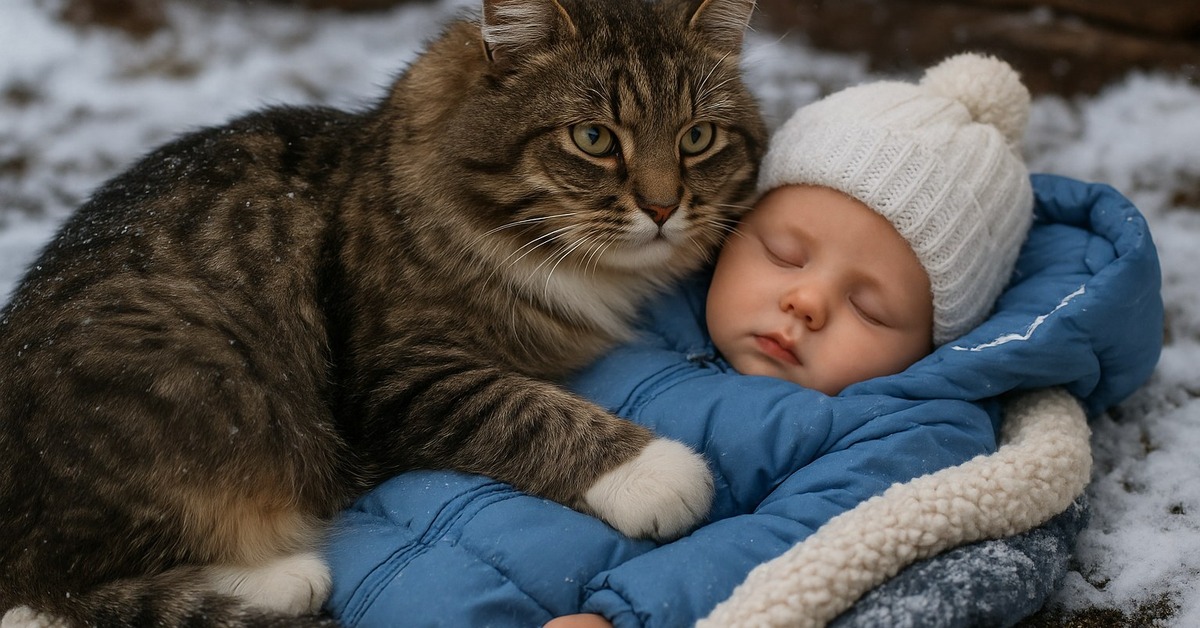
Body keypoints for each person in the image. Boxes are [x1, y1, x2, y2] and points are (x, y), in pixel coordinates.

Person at [321, 54, 1163, 628]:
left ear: (937, 341)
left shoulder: (900, 429)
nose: (804, 302)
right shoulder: (641, 286)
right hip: (319, 551)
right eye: (783, 254)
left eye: (870, 308)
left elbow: (792, 548)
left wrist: (626, 614)